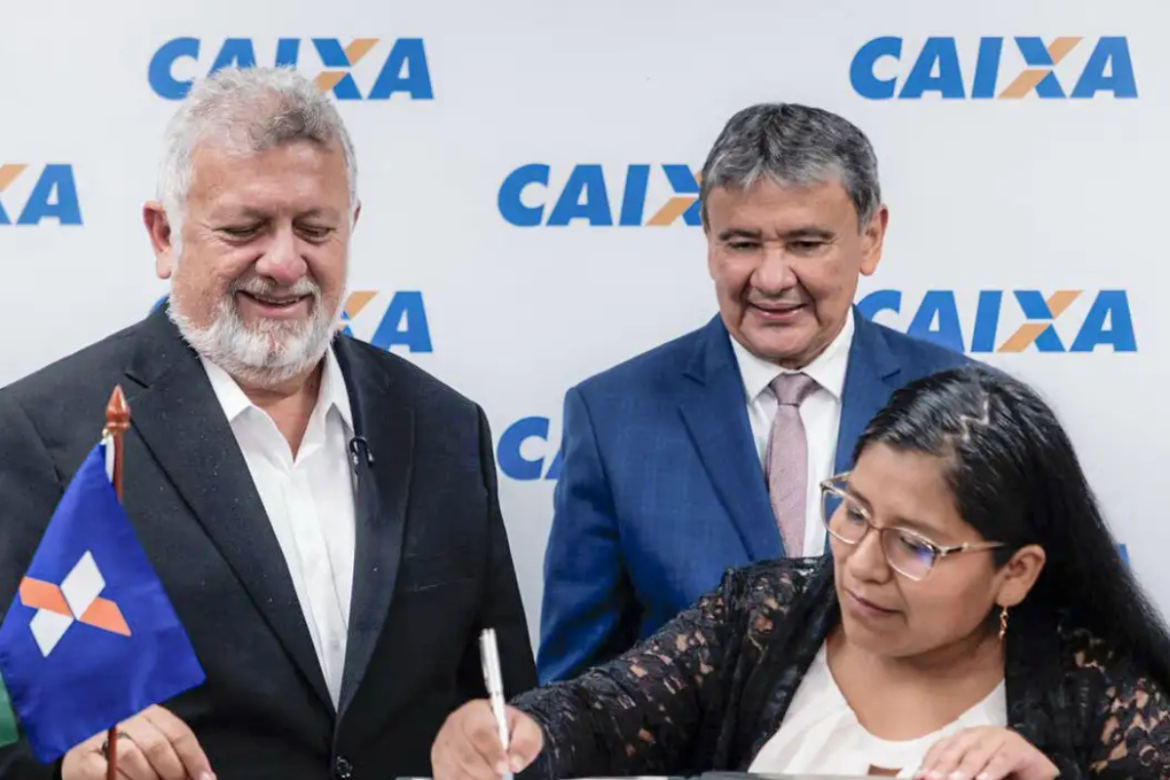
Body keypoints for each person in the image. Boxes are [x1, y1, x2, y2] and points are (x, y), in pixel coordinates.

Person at [0, 67, 536, 780]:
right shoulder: (44, 434)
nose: (285, 264)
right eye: (245, 229)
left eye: (315, 229)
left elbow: (504, 702)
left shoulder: (444, 426)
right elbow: (13, 730)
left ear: (351, 227)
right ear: (164, 236)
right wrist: (72, 763)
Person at [435, 365, 1170, 780]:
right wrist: (520, 732)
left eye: (915, 547)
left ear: (1016, 572)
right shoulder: (761, 615)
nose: (863, 566)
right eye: (853, 512)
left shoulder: (1102, 696)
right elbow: (604, 712)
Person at [538, 102, 971, 682]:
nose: (771, 278)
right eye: (742, 244)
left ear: (871, 238)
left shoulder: (969, 406)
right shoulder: (613, 418)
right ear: (708, 241)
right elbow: (573, 693)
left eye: (805, 244)